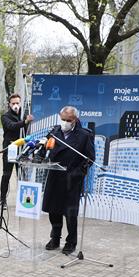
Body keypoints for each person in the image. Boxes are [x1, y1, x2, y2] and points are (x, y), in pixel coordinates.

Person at [42, 106, 95, 255]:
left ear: (75, 120)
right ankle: (55, 238)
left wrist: (78, 173)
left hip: (72, 179)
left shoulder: (85, 135)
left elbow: (90, 158)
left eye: (68, 120)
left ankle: (71, 242)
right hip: (55, 176)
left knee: (70, 213)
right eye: (63, 119)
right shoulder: (54, 132)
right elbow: (45, 149)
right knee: (54, 210)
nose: (65, 122)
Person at [0, 93, 34, 206]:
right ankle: (3, 199)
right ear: (9, 104)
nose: (15, 105)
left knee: (22, 175)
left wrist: (27, 122)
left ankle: (24, 200)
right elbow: (11, 126)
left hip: (22, 150)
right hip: (10, 149)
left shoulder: (24, 115)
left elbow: (27, 130)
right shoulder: (5, 117)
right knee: (6, 175)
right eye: (13, 103)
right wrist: (24, 122)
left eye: (17, 103)